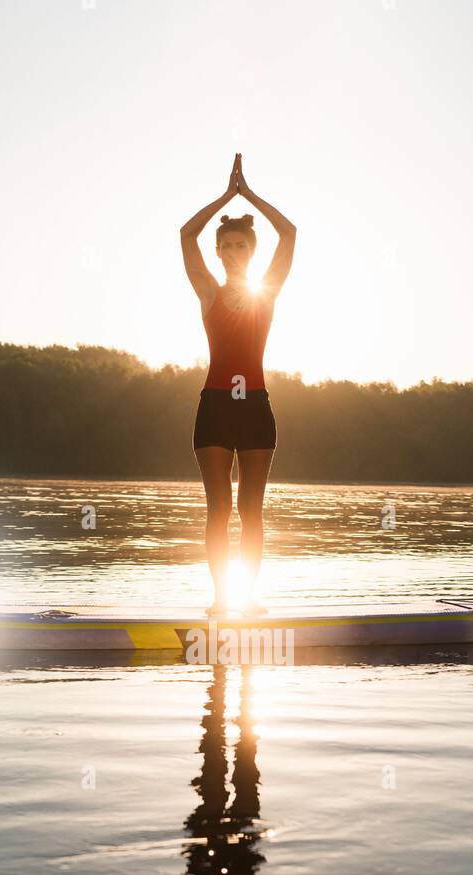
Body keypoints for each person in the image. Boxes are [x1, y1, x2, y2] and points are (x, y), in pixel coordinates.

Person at [180, 154, 296, 616]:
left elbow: (288, 234)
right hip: (213, 407)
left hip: (255, 410)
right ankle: (220, 599)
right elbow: (186, 235)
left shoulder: (266, 291)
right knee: (218, 510)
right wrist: (225, 197)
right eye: (225, 246)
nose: (232, 252)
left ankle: (245, 599)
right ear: (218, 253)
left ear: (251, 250)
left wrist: (249, 196)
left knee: (251, 510)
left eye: (240, 246)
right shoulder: (208, 292)